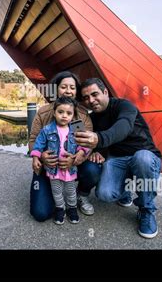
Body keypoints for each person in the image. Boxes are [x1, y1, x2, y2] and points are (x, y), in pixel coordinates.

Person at [75, 78, 162, 239]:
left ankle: (147, 210)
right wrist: (96, 150)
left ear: (105, 92)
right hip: (118, 160)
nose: (91, 101)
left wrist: (99, 139)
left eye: (95, 94)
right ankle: (125, 191)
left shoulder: (124, 106)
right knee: (104, 194)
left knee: (142, 159)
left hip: (144, 155)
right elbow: (84, 138)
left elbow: (122, 127)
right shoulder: (92, 118)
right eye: (86, 98)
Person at [29, 71, 101, 222]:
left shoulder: (78, 116)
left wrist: (77, 158)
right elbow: (34, 139)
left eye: (72, 87)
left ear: (76, 91)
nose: (68, 90)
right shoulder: (44, 113)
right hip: (49, 166)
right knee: (40, 213)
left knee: (93, 169)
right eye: (64, 87)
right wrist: (40, 156)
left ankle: (80, 195)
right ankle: (58, 200)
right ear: (56, 89)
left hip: (72, 167)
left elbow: (85, 143)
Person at [30, 97, 89, 225]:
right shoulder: (47, 129)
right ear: (54, 112)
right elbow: (38, 145)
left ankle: (72, 208)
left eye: (69, 113)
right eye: (60, 112)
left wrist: (81, 152)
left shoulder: (77, 127)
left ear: (73, 115)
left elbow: (84, 144)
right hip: (53, 169)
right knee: (56, 191)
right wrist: (36, 157)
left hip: (70, 168)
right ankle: (60, 208)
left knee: (70, 190)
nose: (64, 116)